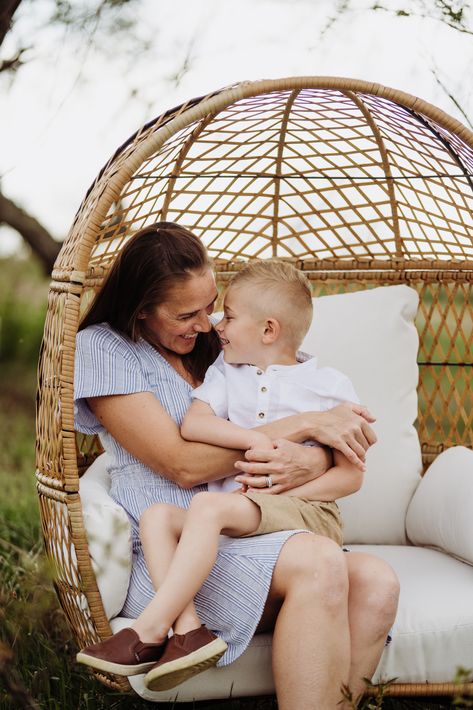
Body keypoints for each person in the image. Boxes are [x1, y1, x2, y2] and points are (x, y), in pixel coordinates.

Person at [73, 222, 399, 710]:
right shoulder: (104, 348)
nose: (206, 324)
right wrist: (304, 424)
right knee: (320, 561)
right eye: (188, 313)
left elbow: (295, 399)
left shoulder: (222, 350)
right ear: (142, 309)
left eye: (211, 306)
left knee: (377, 582)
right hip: (173, 555)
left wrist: (312, 456)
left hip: (249, 529)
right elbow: (181, 464)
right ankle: (176, 629)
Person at [133, 259, 364, 691]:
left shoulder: (330, 387)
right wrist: (255, 440)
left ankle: (153, 627)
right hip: (235, 518)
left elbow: (352, 478)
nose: (217, 325)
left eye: (230, 316)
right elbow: (193, 426)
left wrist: (284, 492)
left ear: (269, 330)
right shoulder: (226, 373)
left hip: (300, 516)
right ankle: (189, 630)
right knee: (157, 516)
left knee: (207, 506)